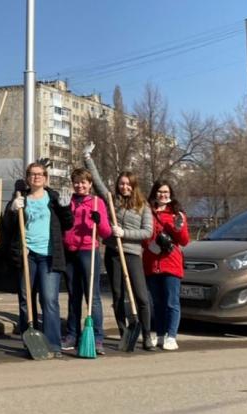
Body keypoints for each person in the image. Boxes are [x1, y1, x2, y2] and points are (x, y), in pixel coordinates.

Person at [83, 145, 155, 350]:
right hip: (114, 254)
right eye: (121, 184)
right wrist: (87, 158)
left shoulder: (143, 206)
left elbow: (147, 232)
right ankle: (124, 332)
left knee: (141, 296)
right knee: (117, 295)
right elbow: (96, 182)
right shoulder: (111, 201)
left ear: (133, 186)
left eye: (128, 184)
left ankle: (147, 334)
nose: (124, 187)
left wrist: (125, 234)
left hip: (132, 254)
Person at [1, 162, 73, 357]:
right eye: (32, 174)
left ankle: (53, 344)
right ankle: (30, 342)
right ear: (27, 178)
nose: (36, 177)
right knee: (26, 300)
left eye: (40, 174)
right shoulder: (20, 198)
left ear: (46, 177)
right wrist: (12, 210)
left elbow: (68, 224)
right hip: (27, 254)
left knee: (49, 300)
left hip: (49, 256)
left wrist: (66, 209)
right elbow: (6, 226)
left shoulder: (54, 198)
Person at [62, 167, 112, 355]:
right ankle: (72, 334)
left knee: (93, 297)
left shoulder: (97, 203)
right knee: (74, 295)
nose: (80, 185)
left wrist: (99, 222)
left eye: (83, 182)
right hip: (70, 251)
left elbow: (106, 233)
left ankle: (97, 337)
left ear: (90, 184)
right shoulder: (69, 202)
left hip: (88, 251)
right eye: (76, 182)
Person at [143, 179, 190, 351]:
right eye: (160, 191)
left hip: (171, 263)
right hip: (151, 262)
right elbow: (144, 235)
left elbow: (184, 240)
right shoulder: (147, 211)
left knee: (171, 302)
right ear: (155, 192)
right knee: (157, 302)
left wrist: (177, 227)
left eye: (166, 192)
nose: (163, 195)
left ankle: (172, 336)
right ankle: (160, 334)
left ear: (170, 195)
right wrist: (150, 244)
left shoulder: (176, 213)